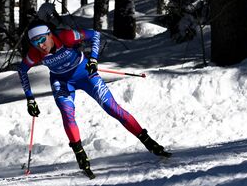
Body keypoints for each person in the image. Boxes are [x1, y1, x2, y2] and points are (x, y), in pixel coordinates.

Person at [18, 20, 170, 177]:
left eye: (42, 39)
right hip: (61, 82)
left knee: (112, 108)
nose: (40, 45)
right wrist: (30, 98)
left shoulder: (66, 37)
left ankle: (148, 141)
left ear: (49, 34)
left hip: (85, 74)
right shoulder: (34, 53)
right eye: (35, 42)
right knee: (67, 113)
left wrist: (94, 59)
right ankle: (80, 155)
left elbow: (95, 35)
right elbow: (22, 71)